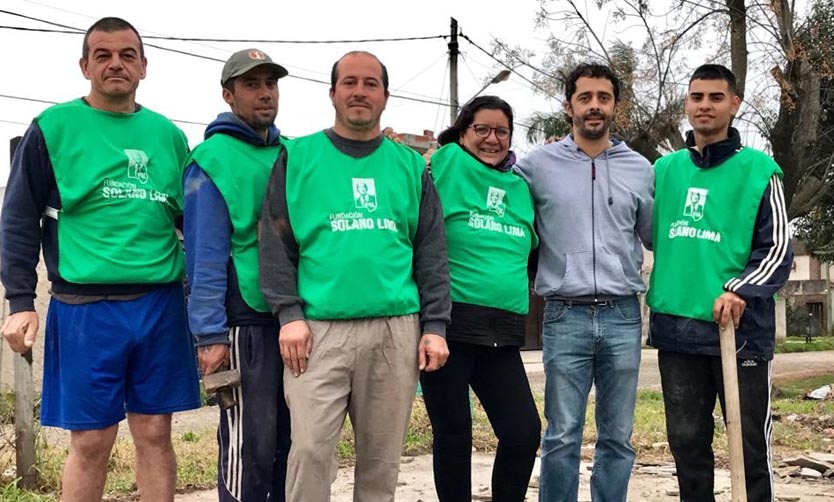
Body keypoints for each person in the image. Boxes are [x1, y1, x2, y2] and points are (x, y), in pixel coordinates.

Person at [0, 17, 199, 501]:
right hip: (86, 308)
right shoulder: (53, 128)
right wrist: (20, 301)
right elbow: (19, 217)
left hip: (159, 305)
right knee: (91, 441)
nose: (116, 64)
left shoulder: (170, 137)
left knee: (155, 434)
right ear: (84, 65)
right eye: (104, 55)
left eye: (128, 55)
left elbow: (188, 227)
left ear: (144, 67)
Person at [258, 50, 451, 502]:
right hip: (317, 332)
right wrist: (288, 314)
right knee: (308, 452)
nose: (359, 92)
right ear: (332, 93)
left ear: (385, 96)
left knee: (381, 463)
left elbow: (430, 249)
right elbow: (274, 242)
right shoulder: (298, 156)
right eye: (350, 82)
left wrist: (436, 325)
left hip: (394, 329)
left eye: (370, 84)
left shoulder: (410, 166)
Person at [647, 64, 792, 502]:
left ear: (734, 104)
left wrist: (740, 290)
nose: (704, 105)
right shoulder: (664, 170)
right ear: (686, 104)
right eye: (696, 97)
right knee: (687, 445)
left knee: (747, 447)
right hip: (676, 329)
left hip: (738, 333)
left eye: (714, 97)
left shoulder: (760, 171)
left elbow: (778, 248)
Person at [514, 63, 654, 502]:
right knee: (561, 436)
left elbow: (653, 235)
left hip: (623, 315)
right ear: (568, 104)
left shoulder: (640, 168)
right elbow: (495, 195)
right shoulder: (536, 167)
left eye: (603, 97)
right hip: (563, 314)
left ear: (615, 105)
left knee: (617, 437)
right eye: (585, 97)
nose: (594, 105)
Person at [419, 95, 541, 501]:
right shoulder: (448, 162)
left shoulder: (519, 186)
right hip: (448, 329)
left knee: (523, 433)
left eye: (501, 131)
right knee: (454, 435)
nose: (492, 138)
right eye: (481, 129)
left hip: (502, 333)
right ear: (462, 131)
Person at [183, 48, 291, 502]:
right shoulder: (210, 159)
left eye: (270, 83)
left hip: (297, 321)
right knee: (251, 446)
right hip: (243, 319)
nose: (264, 93)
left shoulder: (293, 153)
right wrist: (208, 334)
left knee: (292, 445)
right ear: (229, 95)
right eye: (251, 84)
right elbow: (203, 253)